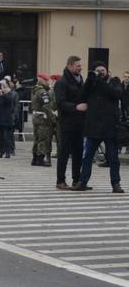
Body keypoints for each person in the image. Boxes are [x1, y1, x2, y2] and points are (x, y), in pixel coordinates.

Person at [76, 62, 124, 193]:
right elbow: (82, 96)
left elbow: (116, 94)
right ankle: (83, 182)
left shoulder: (114, 81)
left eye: (103, 70)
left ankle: (116, 183)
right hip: (93, 127)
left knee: (113, 158)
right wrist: (90, 80)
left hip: (110, 127)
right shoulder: (92, 83)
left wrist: (101, 81)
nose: (100, 73)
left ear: (108, 71)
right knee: (87, 157)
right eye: (98, 71)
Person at [53, 55, 86, 190]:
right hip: (67, 123)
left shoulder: (80, 80)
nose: (80, 67)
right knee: (64, 153)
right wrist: (75, 107)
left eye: (80, 65)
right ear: (70, 66)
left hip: (80, 123)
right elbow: (60, 103)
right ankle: (60, 181)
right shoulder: (62, 82)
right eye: (78, 66)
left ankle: (76, 180)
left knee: (78, 153)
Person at [30, 74, 57, 167]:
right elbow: (46, 106)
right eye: (47, 80)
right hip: (42, 118)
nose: (49, 82)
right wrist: (52, 118)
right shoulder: (43, 92)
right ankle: (40, 159)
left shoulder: (34, 90)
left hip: (36, 117)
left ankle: (34, 158)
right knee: (43, 138)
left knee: (36, 138)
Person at [0, 80, 18, 159]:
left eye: (3, 86)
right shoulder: (0, 95)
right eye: (1, 87)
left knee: (6, 136)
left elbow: (9, 101)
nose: (2, 88)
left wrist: (2, 93)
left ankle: (7, 152)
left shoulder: (10, 94)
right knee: (0, 137)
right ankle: (0, 151)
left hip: (7, 118)